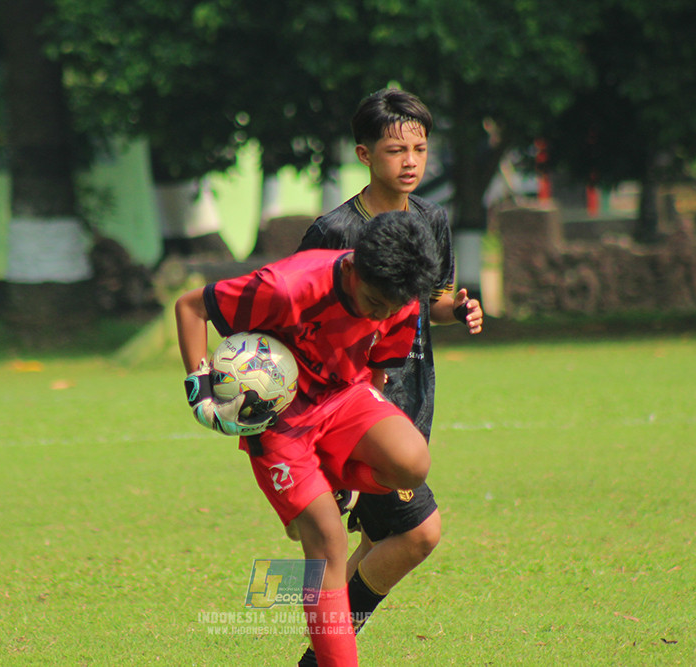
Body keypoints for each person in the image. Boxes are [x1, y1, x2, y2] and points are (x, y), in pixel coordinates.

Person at [175, 211, 442, 667]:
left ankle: (333, 484)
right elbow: (190, 307)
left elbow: (378, 365)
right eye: (373, 301)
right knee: (328, 543)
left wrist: (366, 432)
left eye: (390, 307)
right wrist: (198, 388)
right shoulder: (286, 287)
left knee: (412, 462)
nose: (379, 314)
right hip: (279, 422)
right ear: (352, 267)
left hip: (344, 396)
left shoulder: (400, 295)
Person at [295, 88, 484, 666]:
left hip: (413, 401)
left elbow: (432, 299)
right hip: (355, 413)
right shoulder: (333, 231)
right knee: (418, 533)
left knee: (378, 541)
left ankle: (324, 650)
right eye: (396, 149)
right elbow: (298, 322)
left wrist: (458, 309)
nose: (410, 161)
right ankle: (318, 661)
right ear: (364, 154)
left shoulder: (432, 219)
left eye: (420, 149)